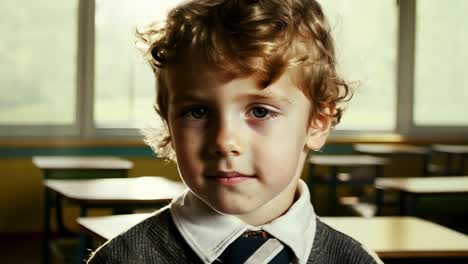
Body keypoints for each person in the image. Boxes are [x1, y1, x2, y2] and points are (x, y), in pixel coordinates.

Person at [87, 0, 383, 263]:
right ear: (169, 122)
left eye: (260, 111)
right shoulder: (122, 258)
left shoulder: (355, 259)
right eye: (197, 112)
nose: (224, 141)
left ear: (317, 123)